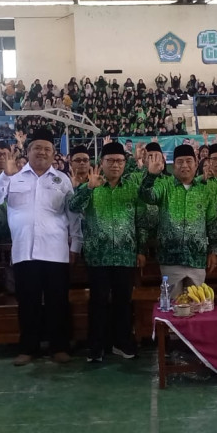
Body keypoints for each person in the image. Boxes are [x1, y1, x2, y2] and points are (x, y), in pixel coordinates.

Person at [0, 129, 82, 366]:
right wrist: (5, 176)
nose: (42, 152)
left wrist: (75, 246)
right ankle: (28, 348)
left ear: (53, 154)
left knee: (57, 302)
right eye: (37, 148)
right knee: (27, 302)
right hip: (24, 252)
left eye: (47, 149)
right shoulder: (13, 177)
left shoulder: (62, 180)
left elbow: (74, 215)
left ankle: (59, 347)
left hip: (56, 252)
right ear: (28, 151)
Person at [69, 141, 144, 362]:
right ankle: (96, 347)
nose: (115, 165)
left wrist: (139, 250)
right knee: (98, 302)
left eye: (119, 161)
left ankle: (122, 343)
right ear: (101, 163)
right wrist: (88, 188)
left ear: (125, 164)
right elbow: (73, 207)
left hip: (125, 255)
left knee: (123, 302)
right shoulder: (91, 186)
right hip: (97, 257)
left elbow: (139, 222)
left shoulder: (132, 189)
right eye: (110, 161)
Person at [141, 144, 217, 300]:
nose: (184, 165)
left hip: (196, 259)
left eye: (189, 161)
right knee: (172, 308)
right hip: (171, 260)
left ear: (196, 163)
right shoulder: (164, 186)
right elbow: (146, 196)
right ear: (173, 165)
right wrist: (150, 175)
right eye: (180, 161)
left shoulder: (206, 190)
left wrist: (213, 251)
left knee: (198, 306)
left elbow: (212, 222)